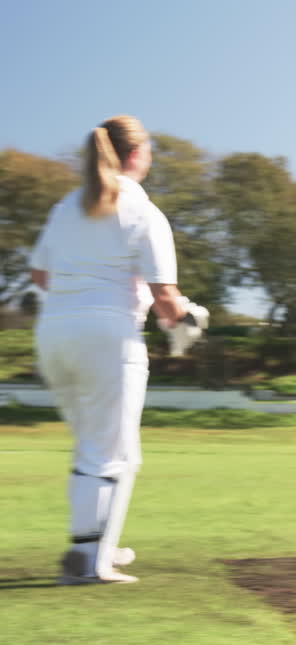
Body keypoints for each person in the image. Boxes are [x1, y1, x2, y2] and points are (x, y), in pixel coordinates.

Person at [31, 115, 207, 584]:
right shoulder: (143, 211)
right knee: (107, 453)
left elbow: (40, 276)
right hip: (107, 338)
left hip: (54, 336)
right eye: (149, 151)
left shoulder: (67, 206)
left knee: (102, 447)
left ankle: (100, 545)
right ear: (135, 155)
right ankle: (86, 557)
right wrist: (188, 322)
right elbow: (167, 300)